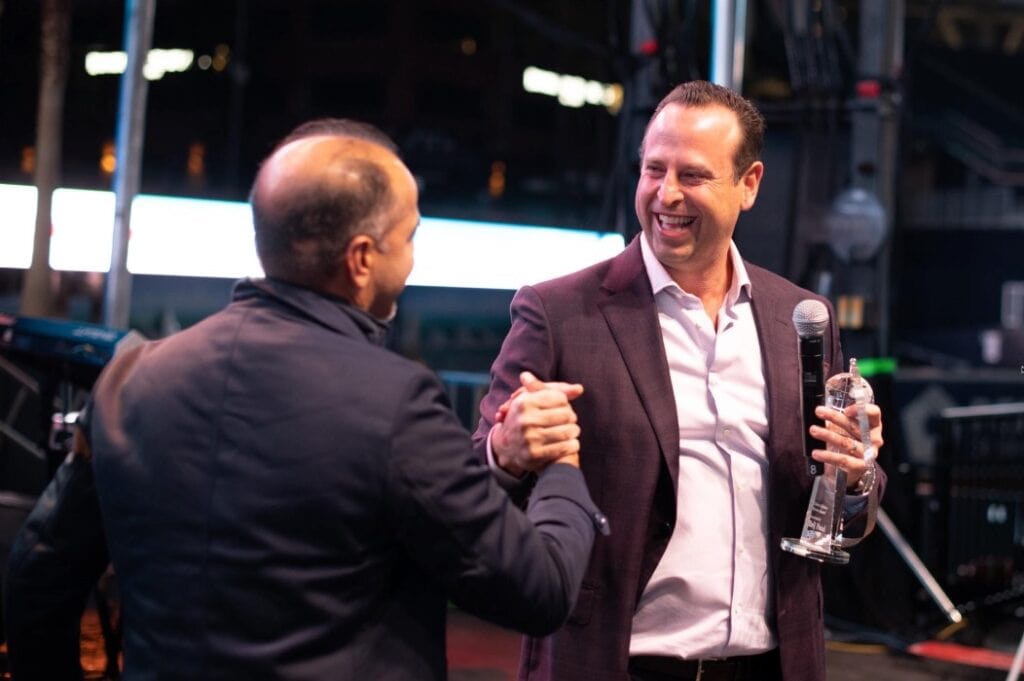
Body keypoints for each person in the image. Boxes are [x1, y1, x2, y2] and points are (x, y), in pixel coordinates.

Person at [4, 119, 608, 681]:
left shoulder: (129, 378)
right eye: (410, 236)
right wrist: (561, 461)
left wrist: (498, 460)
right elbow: (541, 591)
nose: (414, 256)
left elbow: (37, 585)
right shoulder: (395, 401)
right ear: (363, 258)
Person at [472, 81, 886, 681]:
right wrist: (503, 455)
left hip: (772, 665)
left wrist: (854, 479)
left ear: (749, 185)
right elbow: (475, 490)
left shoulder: (799, 318)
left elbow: (847, 510)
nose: (666, 194)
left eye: (692, 175)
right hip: (616, 663)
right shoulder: (560, 313)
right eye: (653, 170)